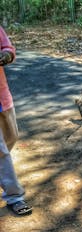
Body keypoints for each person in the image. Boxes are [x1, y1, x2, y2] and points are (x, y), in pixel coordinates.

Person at [0, 26, 32, 215]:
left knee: (12, 137)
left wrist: (5, 56)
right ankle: (14, 196)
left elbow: (8, 49)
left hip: (2, 96)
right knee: (2, 151)